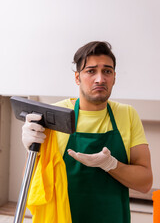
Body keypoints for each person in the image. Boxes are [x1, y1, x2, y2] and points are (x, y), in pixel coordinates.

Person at [22, 41, 153, 223]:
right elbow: (33, 185)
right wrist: (30, 149)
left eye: (107, 71)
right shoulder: (54, 115)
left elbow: (145, 183)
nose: (100, 79)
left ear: (114, 77)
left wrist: (111, 164)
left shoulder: (127, 114)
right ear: (77, 77)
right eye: (91, 71)